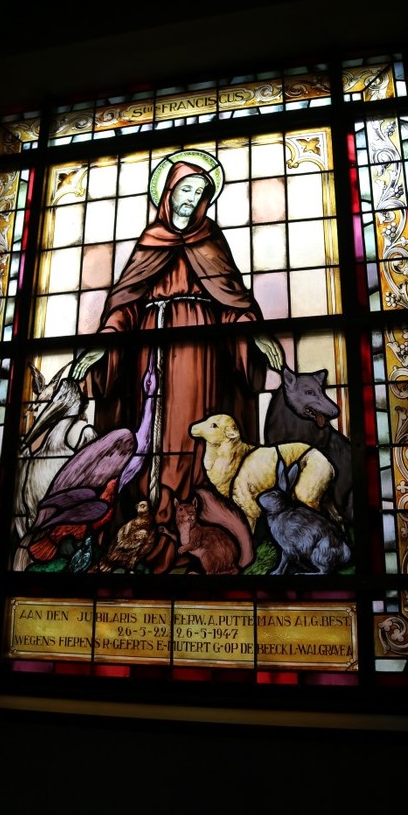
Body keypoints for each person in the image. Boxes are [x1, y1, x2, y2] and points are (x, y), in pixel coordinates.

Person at [73, 150, 284, 572]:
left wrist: (253, 331)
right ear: (168, 192)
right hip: (148, 352)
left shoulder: (211, 241)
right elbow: (125, 304)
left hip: (199, 352)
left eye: (199, 192)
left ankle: (189, 523)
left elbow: (232, 303)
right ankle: (145, 519)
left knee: (190, 428)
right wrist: (105, 342)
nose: (190, 198)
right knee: (150, 429)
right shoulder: (151, 241)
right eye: (185, 189)